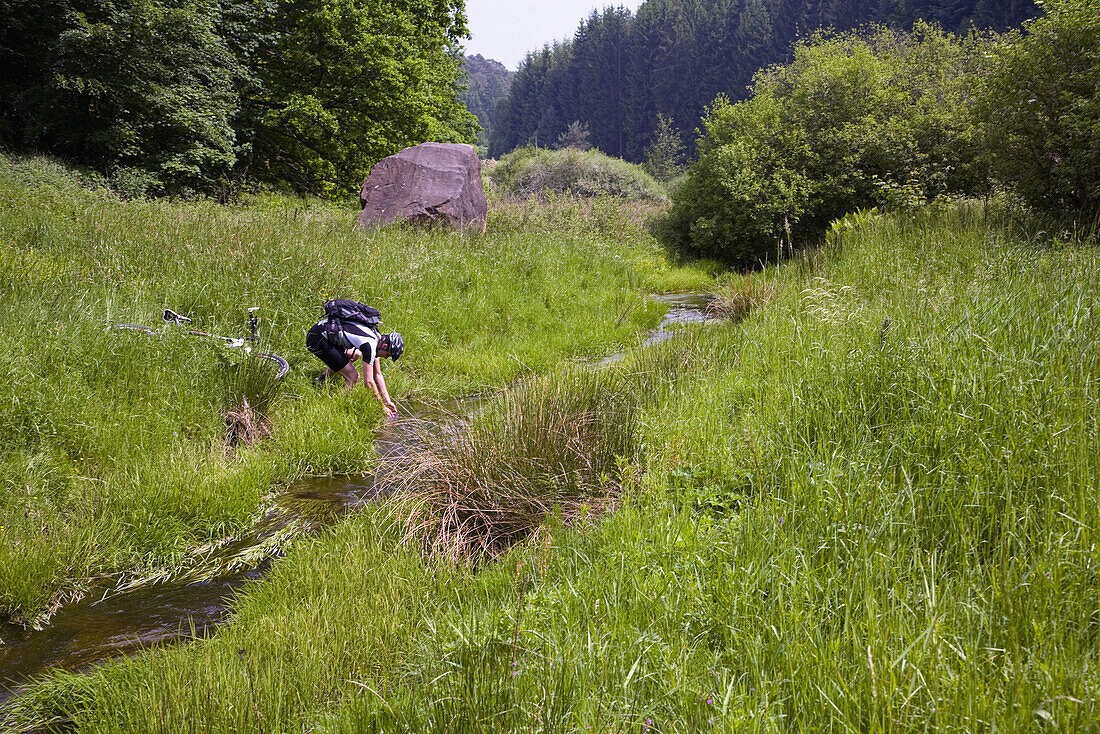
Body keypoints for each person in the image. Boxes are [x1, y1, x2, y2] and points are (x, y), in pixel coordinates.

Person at [306, 313, 404, 416]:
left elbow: (377, 374)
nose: (385, 357)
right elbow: (369, 382)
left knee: (356, 354)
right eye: (387, 355)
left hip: (323, 333)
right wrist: (381, 406)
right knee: (353, 376)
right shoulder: (370, 345)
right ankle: (337, 409)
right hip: (317, 338)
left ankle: (320, 381)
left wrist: (387, 401)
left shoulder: (376, 337)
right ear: (385, 345)